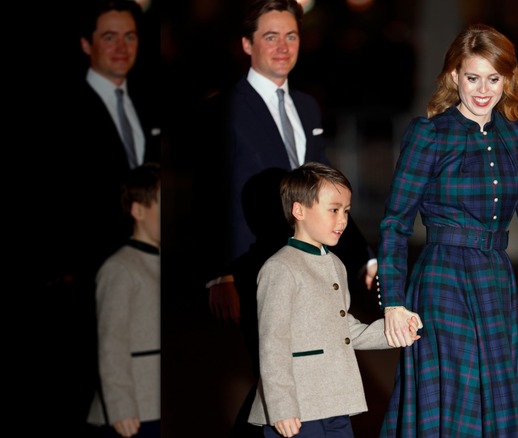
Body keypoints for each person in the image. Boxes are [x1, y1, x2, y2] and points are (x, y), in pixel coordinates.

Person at [377, 23, 518, 437]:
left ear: (508, 79)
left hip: (495, 281)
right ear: (453, 77)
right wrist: (392, 301)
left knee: (496, 400)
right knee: (455, 402)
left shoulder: (516, 134)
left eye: (494, 78)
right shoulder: (429, 134)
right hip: (442, 282)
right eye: (473, 77)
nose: (483, 90)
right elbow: (395, 223)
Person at [199, 0, 377, 324]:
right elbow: (212, 194)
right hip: (254, 267)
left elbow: (326, 190)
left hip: (313, 264)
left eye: (291, 36)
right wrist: (220, 275)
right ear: (247, 44)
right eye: (271, 37)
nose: (283, 47)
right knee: (271, 369)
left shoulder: (307, 106)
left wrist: (363, 257)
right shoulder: (225, 109)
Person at [38, 1, 161, 432]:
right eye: (109, 36)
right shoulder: (61, 109)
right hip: (84, 286)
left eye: (130, 36)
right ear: (86, 44)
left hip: (146, 277)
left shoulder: (145, 102)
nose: (122, 46)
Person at [247, 162, 422, 438]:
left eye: (346, 211)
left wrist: (391, 333)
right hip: (298, 409)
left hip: (336, 402)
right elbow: (272, 343)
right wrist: (281, 407)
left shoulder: (336, 265)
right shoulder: (280, 268)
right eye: (334, 210)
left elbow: (344, 329)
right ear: (298, 210)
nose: (342, 220)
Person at [86, 162, 161, 438]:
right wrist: (120, 407)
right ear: (138, 210)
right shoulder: (120, 267)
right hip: (136, 410)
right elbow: (111, 343)